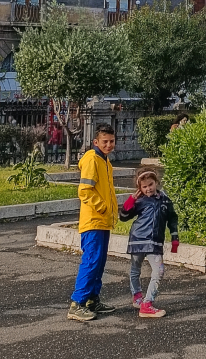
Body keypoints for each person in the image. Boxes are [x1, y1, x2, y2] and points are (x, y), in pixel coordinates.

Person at [67, 123, 118, 322]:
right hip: (94, 220)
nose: (108, 145)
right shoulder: (92, 159)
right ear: (96, 142)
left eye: (111, 141)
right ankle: (77, 303)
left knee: (99, 262)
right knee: (91, 261)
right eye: (105, 141)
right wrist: (103, 207)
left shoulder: (105, 161)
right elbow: (85, 191)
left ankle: (92, 299)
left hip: (103, 221)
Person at [119, 169, 179, 318]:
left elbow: (172, 218)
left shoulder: (165, 199)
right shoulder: (139, 200)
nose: (148, 189)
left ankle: (147, 303)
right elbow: (123, 216)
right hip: (138, 240)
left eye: (150, 185)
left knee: (158, 271)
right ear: (140, 188)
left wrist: (174, 237)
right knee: (135, 269)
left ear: (156, 182)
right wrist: (131, 200)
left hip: (155, 242)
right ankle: (138, 297)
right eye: (144, 187)